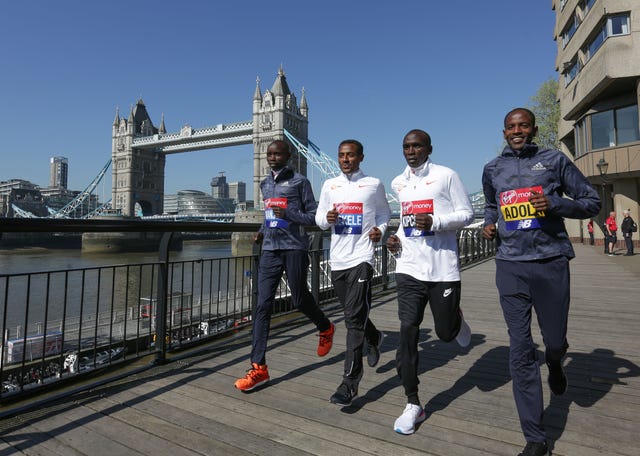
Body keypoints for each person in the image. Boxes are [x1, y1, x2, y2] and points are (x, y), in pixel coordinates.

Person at [482, 108, 600, 456]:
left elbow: (591, 202)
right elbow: (492, 206)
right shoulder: (493, 168)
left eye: (523, 126)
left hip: (550, 262)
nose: (517, 131)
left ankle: (554, 359)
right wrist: (490, 225)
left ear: (533, 129)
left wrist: (554, 203)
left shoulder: (554, 161)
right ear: (504, 132)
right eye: (511, 127)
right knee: (519, 348)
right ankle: (535, 437)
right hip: (510, 265)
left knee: (554, 340)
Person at [385, 129, 474, 435]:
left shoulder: (447, 176)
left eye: (417, 145)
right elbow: (405, 219)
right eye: (406, 146)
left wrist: (436, 222)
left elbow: (467, 213)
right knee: (408, 330)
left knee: (446, 333)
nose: (411, 151)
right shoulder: (399, 182)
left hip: (442, 269)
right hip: (408, 267)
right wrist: (396, 237)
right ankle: (413, 403)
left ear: (429, 148)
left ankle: (456, 320)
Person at [234, 140, 335, 392]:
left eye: (277, 153)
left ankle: (325, 326)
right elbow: (269, 214)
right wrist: (260, 230)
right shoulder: (265, 183)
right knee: (262, 306)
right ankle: (259, 367)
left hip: (294, 247)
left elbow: (312, 216)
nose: (272, 157)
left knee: (299, 299)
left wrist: (289, 214)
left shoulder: (301, 181)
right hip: (270, 249)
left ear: (288, 156)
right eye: (269, 153)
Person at [315, 139, 391, 406]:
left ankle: (349, 383)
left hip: (362, 257)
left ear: (360, 157)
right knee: (352, 313)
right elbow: (319, 219)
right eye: (341, 155)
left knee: (352, 322)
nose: (345, 159)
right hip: (338, 260)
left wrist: (379, 231)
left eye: (350, 155)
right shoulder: (329, 185)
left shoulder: (373, 184)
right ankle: (375, 337)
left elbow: (384, 213)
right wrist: (328, 219)